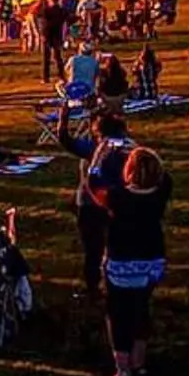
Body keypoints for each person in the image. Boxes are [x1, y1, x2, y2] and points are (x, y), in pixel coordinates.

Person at [101, 148, 172, 376]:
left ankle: (122, 369)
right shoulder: (160, 193)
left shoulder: (117, 197)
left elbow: (94, 184)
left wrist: (100, 158)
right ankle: (138, 363)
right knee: (141, 307)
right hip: (151, 261)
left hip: (121, 262)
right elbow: (166, 177)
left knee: (117, 312)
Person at [57, 101, 134, 299]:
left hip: (92, 203)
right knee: (117, 244)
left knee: (93, 248)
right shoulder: (129, 146)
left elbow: (65, 140)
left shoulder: (95, 147)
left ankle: (94, 286)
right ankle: (120, 281)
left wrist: (63, 118)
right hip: (120, 202)